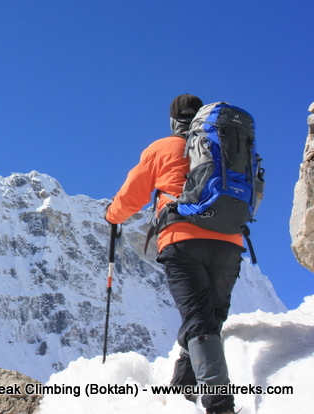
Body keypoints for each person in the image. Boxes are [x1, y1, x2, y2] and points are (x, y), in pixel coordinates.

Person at [105, 94, 245, 414]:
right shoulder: (225, 146)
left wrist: (112, 215)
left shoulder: (163, 148)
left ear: (173, 121)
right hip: (230, 240)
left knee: (198, 323)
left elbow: (132, 195)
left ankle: (219, 406)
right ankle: (182, 395)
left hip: (182, 241)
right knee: (209, 320)